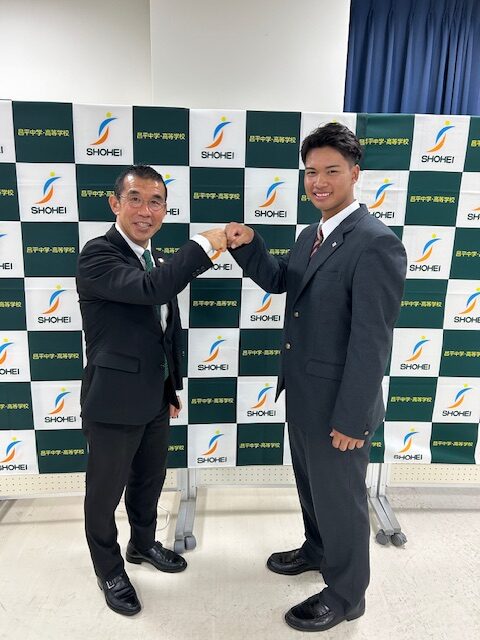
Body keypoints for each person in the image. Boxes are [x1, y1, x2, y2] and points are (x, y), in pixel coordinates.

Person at [225, 123, 407, 632]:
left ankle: (348, 595)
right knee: (312, 488)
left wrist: (352, 418)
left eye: (331, 171)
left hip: (340, 406)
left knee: (341, 500)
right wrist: (250, 244)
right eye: (310, 172)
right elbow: (282, 279)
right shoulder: (313, 233)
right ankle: (318, 549)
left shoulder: (376, 243)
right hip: (303, 392)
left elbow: (372, 342)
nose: (319, 182)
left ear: (355, 173)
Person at [76, 164, 226, 616]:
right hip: (112, 400)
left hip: (155, 397)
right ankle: (108, 569)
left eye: (156, 201)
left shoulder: (155, 259)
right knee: (104, 494)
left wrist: (171, 386)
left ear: (164, 209)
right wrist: (203, 245)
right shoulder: (98, 255)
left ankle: (142, 545)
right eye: (136, 199)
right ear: (115, 203)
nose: (146, 210)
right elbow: (148, 290)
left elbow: (165, 331)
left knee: (149, 481)